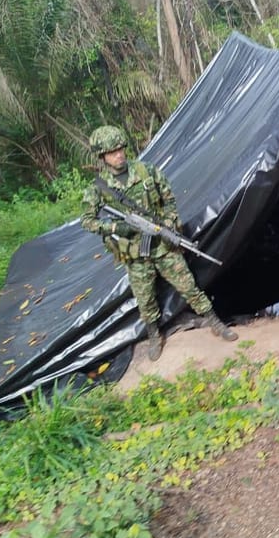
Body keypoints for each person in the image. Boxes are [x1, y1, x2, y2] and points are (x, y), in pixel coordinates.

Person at [81, 124, 237, 361]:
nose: (119, 155)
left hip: (163, 247)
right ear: (102, 157)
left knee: (189, 286)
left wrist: (166, 224)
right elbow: (87, 221)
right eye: (113, 152)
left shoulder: (146, 172)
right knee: (145, 299)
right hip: (135, 254)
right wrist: (116, 227)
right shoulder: (99, 189)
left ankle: (215, 322)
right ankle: (155, 335)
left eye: (121, 149)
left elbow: (169, 199)